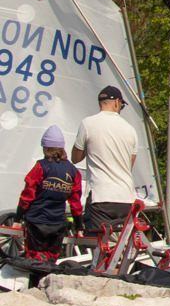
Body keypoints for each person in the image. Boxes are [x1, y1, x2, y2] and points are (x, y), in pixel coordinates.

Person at [72, 85, 141, 233]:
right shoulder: (130, 129)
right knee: (121, 247)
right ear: (117, 102)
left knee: (99, 247)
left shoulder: (88, 123)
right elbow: (129, 165)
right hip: (126, 197)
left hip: (101, 196)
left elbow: (75, 158)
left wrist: (90, 147)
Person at [16, 125, 82, 265]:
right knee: (51, 259)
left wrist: (17, 217)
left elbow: (27, 195)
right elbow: (75, 203)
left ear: (45, 148)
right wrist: (79, 226)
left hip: (36, 222)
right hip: (57, 223)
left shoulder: (40, 167)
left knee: (34, 259)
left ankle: (34, 284)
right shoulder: (73, 171)